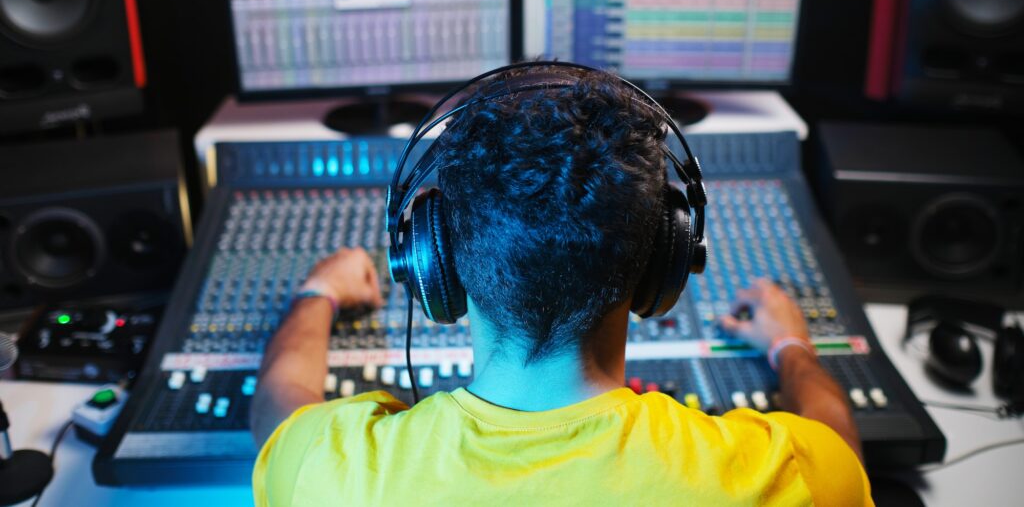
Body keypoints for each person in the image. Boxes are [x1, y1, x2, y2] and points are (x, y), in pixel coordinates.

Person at [250, 66, 871, 506]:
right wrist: (793, 348)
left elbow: (279, 401)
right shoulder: (778, 479)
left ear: (435, 264)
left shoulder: (328, 473)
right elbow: (838, 443)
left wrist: (319, 295)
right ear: (664, 266)